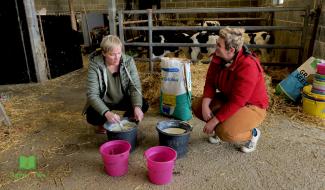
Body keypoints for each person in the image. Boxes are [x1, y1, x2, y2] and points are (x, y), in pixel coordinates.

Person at [192, 27, 269, 153]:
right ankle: (221, 124)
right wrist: (205, 105)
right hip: (228, 98)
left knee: (225, 132)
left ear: (231, 50)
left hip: (252, 106)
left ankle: (253, 133)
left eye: (219, 45)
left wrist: (214, 122)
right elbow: (210, 82)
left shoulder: (248, 66)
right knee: (198, 106)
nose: (215, 47)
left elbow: (238, 101)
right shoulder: (218, 58)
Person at [83, 35, 148, 134]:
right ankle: (103, 123)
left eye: (119, 53)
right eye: (112, 54)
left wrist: (137, 107)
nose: (117, 57)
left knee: (142, 104)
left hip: (122, 98)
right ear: (104, 53)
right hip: (104, 100)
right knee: (92, 115)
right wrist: (107, 113)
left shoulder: (128, 61)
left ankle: (127, 122)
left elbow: (135, 87)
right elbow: (92, 94)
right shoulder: (95, 65)